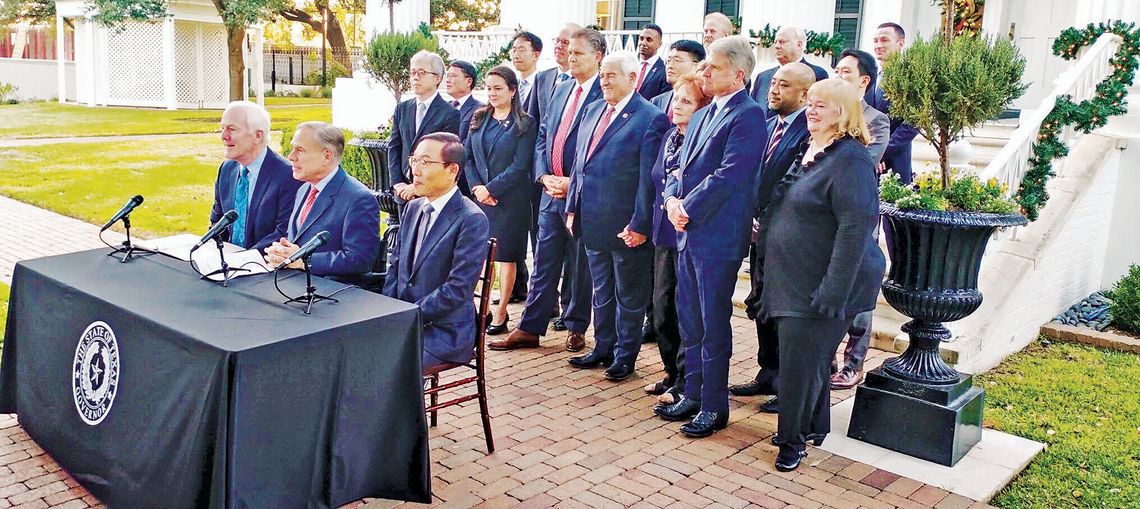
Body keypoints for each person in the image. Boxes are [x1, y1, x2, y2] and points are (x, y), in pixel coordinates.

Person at [759, 78, 886, 471]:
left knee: (800, 362)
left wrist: (834, 290)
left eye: (822, 105)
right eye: (810, 103)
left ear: (843, 113)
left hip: (828, 282)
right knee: (810, 358)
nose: (811, 109)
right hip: (795, 275)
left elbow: (855, 228)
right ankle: (815, 425)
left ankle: (791, 442)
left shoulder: (851, 160)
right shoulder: (810, 150)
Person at [655, 36, 765, 438]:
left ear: (738, 73)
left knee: (713, 323)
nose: (704, 72)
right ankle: (693, 392)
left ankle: (715, 406)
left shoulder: (748, 115)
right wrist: (670, 200)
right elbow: (677, 169)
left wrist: (687, 207)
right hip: (686, 232)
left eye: (712, 67)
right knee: (690, 320)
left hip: (717, 236)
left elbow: (731, 174)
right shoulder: (702, 115)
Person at [489, 28, 605, 353]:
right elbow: (542, 134)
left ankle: (576, 325)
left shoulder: (603, 94)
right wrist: (543, 176)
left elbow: (600, 147)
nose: (571, 57)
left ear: (597, 56)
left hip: (580, 192)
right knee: (544, 260)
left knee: (579, 263)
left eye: (578, 52)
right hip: (549, 191)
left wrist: (572, 181)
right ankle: (530, 327)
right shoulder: (560, 88)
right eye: (569, 51)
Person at [565, 51, 669, 380]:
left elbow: (647, 178)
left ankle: (626, 355)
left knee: (629, 294)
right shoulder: (594, 109)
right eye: (603, 75)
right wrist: (572, 207)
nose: (605, 81)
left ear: (632, 79)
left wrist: (640, 224)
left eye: (612, 75)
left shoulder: (650, 117)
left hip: (627, 225)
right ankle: (602, 346)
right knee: (601, 289)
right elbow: (580, 166)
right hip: (591, 219)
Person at [731, 62, 816, 412]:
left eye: (784, 85)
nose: (774, 90)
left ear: (804, 94)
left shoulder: (807, 132)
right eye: (773, 83)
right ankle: (767, 372)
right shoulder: (768, 125)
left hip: (785, 235)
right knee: (761, 304)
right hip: (759, 233)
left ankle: (786, 383)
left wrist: (765, 220)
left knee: (782, 310)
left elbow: (794, 183)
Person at [383, 132, 491, 370]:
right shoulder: (412, 208)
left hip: (443, 332)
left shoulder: (471, 219)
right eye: (414, 160)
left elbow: (457, 289)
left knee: (386, 365)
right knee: (355, 351)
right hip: (405, 320)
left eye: (425, 162)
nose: (415, 171)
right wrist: (390, 312)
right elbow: (395, 266)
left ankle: (407, 409)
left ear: (452, 170)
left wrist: (409, 315)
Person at [644, 72, 711, 404]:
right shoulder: (670, 136)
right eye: (675, 98)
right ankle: (671, 371)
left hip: (688, 232)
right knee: (661, 309)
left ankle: (686, 380)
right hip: (662, 231)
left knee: (684, 309)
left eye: (686, 100)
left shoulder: (704, 141)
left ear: (702, 107)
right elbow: (655, 181)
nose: (676, 105)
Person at [831, 48, 891, 390]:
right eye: (836, 70)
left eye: (846, 72)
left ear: (864, 81)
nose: (839, 76)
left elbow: (863, 162)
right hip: (822, 219)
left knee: (858, 288)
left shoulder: (875, 120)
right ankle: (828, 362)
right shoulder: (826, 113)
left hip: (855, 217)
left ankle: (854, 361)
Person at [464, 66, 537, 335]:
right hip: (482, 199)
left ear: (512, 90)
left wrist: (493, 189)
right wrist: (477, 188)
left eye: (498, 88)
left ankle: (501, 312)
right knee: (482, 256)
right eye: (489, 88)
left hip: (510, 200)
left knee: (506, 257)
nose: (492, 93)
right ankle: (479, 310)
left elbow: (520, 166)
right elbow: (468, 156)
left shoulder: (525, 124)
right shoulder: (479, 117)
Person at [265, 122, 380, 277]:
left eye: (300, 150)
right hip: (296, 285)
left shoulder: (359, 198)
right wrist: (283, 252)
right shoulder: (304, 188)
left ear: (327, 156)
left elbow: (360, 259)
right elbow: (300, 239)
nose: (291, 156)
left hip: (334, 294)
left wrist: (303, 260)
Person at [211, 101, 302, 253]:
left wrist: (244, 259)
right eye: (222, 128)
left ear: (258, 136)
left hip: (266, 266)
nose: (224, 136)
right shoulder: (226, 169)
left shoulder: (288, 175)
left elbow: (284, 233)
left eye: (232, 129)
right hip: (227, 262)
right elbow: (217, 222)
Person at [387, 50, 461, 204]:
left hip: (431, 194)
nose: (415, 77)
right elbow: (394, 147)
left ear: (437, 78)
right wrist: (398, 183)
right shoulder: (402, 109)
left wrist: (416, 187)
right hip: (403, 193)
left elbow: (445, 157)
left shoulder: (449, 114)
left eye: (421, 72)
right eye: (412, 72)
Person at [872, 22, 917, 184]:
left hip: (895, 159)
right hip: (867, 159)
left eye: (884, 40)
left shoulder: (910, 77)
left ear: (901, 43)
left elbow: (912, 123)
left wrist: (881, 152)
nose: (878, 45)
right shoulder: (871, 76)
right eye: (875, 41)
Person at [750, 26, 829, 118]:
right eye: (775, 42)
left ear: (799, 45)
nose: (777, 46)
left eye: (782, 42)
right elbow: (753, 109)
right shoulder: (763, 76)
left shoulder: (816, 74)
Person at [651, 40, 705, 120]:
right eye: (668, 61)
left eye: (677, 61)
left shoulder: (703, 102)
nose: (670, 66)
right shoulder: (656, 102)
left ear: (697, 65)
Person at [446, 60, 484, 143]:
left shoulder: (480, 109)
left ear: (469, 81)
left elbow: (471, 143)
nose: (448, 80)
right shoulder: (444, 107)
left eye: (453, 76)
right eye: (447, 76)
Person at [635, 24, 670, 99]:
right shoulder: (630, 66)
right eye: (641, 38)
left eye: (649, 40)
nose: (643, 43)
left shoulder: (664, 71)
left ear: (659, 44)